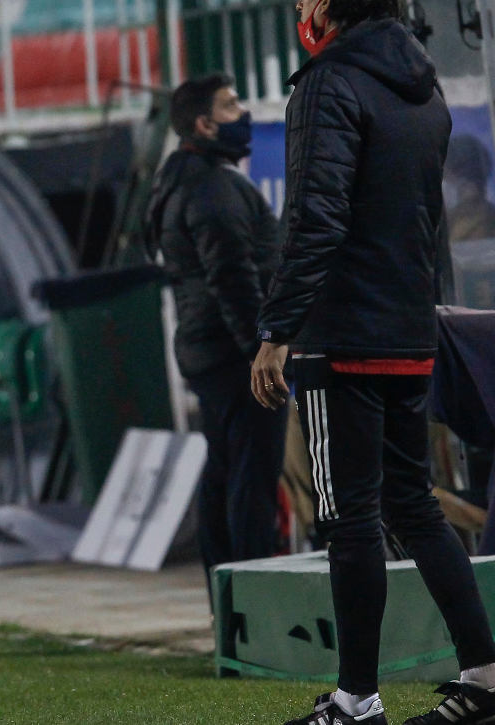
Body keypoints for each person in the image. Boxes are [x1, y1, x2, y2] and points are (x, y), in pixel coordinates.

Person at [251, 1, 495, 723]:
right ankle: (486, 675)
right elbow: (424, 221)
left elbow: (315, 216)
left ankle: (356, 699)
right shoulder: (424, 86)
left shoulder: (328, 83)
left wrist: (278, 328)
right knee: (414, 505)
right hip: (410, 329)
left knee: (349, 517)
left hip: (344, 333)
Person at [145, 73, 285, 590]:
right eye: (230, 105)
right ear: (204, 124)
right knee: (250, 478)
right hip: (234, 354)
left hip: (207, 349)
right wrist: (261, 351)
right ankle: (255, 594)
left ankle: (228, 601)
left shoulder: (178, 179)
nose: (242, 113)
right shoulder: (213, 188)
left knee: (225, 470)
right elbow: (233, 277)